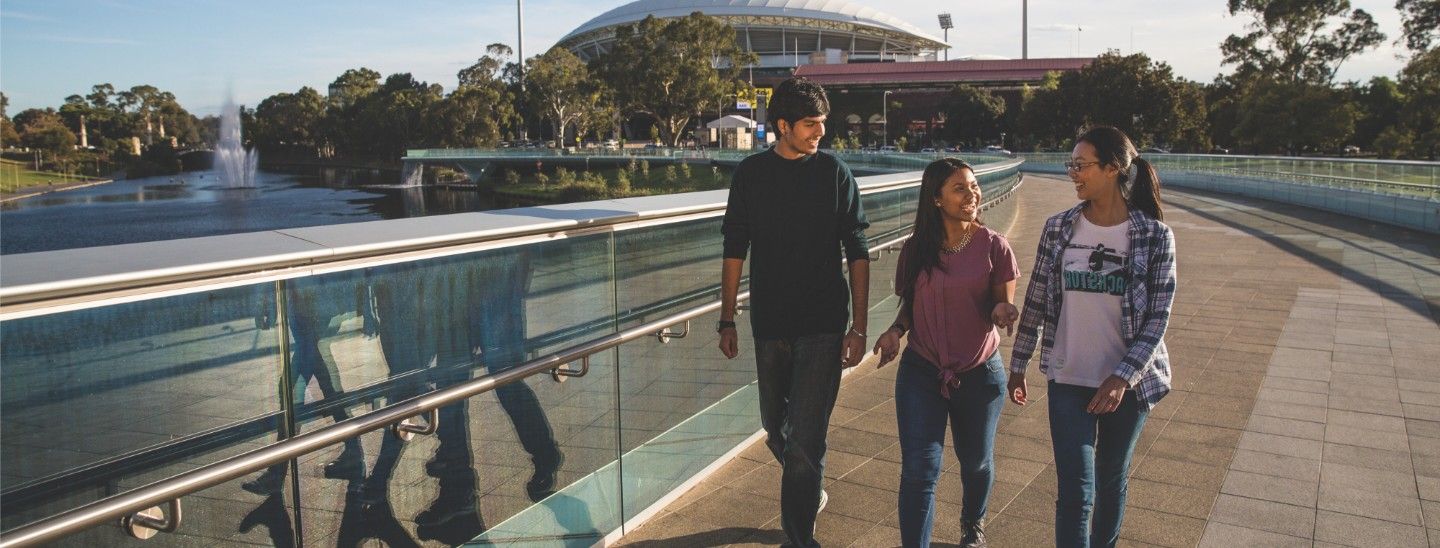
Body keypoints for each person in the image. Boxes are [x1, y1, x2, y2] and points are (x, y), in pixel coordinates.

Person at [717, 76, 870, 548]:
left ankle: (799, 536)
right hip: (769, 323)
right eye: (809, 124)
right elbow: (734, 248)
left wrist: (860, 326)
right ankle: (809, 488)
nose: (819, 133)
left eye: (822, 124)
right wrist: (727, 317)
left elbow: (858, 250)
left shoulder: (834, 174)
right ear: (782, 125)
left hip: (824, 324)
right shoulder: (751, 175)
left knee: (806, 440)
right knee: (773, 425)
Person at [1008, 126, 1177, 548]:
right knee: (1075, 491)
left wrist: (1121, 377)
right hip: (1068, 376)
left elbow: (1158, 317)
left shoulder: (1154, 235)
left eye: (1081, 165)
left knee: (1111, 478)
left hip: (1129, 384)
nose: (1073, 173)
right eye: (1072, 165)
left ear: (1113, 169)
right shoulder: (1058, 228)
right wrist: (1019, 363)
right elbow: (1037, 300)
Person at [872, 158, 1020, 548]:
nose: (971, 194)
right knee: (920, 470)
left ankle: (973, 524)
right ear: (936, 198)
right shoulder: (915, 249)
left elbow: (1000, 302)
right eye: (960, 188)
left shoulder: (994, 246)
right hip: (922, 371)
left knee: (976, 461)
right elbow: (909, 305)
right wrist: (895, 331)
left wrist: (1002, 310)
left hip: (979, 373)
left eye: (973, 186)